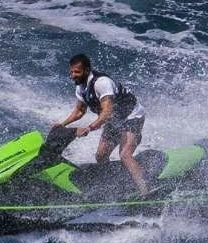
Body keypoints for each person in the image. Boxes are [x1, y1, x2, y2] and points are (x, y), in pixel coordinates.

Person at [51, 54, 149, 196]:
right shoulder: (81, 88)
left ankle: (145, 190)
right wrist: (61, 124)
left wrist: (89, 127)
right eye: (71, 72)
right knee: (101, 155)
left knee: (125, 155)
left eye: (76, 72)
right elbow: (79, 111)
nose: (73, 75)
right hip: (114, 121)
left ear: (87, 70)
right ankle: (113, 185)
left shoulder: (102, 83)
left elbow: (107, 111)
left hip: (132, 116)